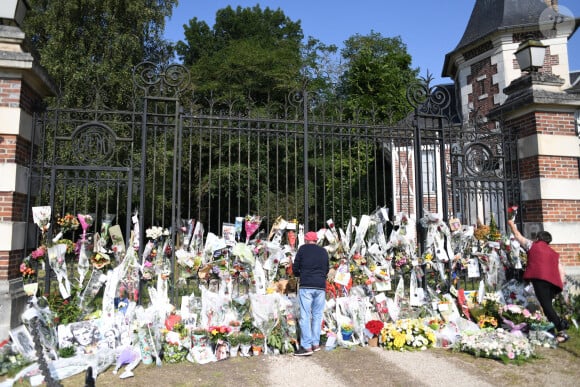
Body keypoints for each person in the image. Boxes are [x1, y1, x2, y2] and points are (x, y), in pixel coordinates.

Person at [507, 220, 569, 343]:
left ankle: (562, 330)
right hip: (554, 282)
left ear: (538, 238)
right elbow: (562, 271)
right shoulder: (554, 253)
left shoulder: (532, 245)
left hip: (540, 279)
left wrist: (511, 224)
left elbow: (518, 236)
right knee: (546, 306)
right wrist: (561, 286)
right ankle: (550, 330)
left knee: (546, 306)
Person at [292, 231, 329, 356]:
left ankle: (306, 346)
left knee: (305, 315)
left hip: (307, 285)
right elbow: (327, 269)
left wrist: (299, 274)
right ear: (316, 240)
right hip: (320, 286)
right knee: (318, 315)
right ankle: (315, 343)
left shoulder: (302, 249)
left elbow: (295, 267)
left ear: (306, 239)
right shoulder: (323, 251)